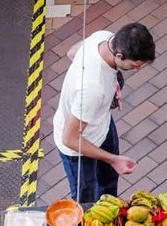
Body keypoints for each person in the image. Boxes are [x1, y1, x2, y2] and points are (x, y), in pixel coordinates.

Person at [53, 23, 155, 204]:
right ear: (119, 55)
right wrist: (113, 159)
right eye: (135, 65)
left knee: (109, 185)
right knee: (87, 201)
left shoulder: (104, 37)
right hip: (78, 148)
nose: (137, 69)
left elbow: (72, 52)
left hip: (101, 126)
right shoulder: (93, 90)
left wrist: (111, 85)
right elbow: (69, 139)